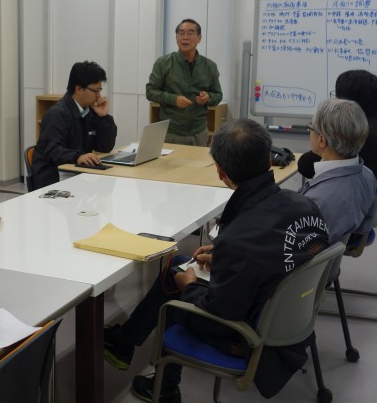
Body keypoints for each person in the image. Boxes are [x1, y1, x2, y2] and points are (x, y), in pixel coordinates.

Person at [103, 119, 330, 402]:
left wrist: (189, 286)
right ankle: (124, 344)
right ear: (268, 160)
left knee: (175, 292)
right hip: (291, 318)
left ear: (221, 172)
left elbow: (222, 310)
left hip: (249, 336)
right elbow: (273, 251)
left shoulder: (239, 237)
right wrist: (224, 255)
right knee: (180, 263)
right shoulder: (305, 206)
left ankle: (166, 389)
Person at [298, 98, 377, 245]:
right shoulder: (368, 175)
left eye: (311, 128)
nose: (310, 131)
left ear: (322, 140)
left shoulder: (317, 201)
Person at [297, 69, 377, 185]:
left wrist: (316, 130)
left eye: (338, 97)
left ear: (348, 103)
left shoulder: (356, 132)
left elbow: (306, 166)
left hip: (348, 193)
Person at [31, 61, 117, 190]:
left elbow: (105, 147)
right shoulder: (56, 115)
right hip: (54, 181)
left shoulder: (89, 111)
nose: (99, 96)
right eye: (95, 90)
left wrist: (103, 117)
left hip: (78, 174)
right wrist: (78, 156)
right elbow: (53, 150)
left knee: (108, 191)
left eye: (100, 90)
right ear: (78, 89)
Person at [146, 18, 223, 146]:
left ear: (199, 38)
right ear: (176, 38)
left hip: (199, 132)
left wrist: (208, 98)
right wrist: (174, 99)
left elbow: (218, 95)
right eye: (181, 33)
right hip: (171, 132)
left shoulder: (210, 66)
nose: (185, 37)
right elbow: (150, 92)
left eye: (190, 33)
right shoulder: (163, 63)